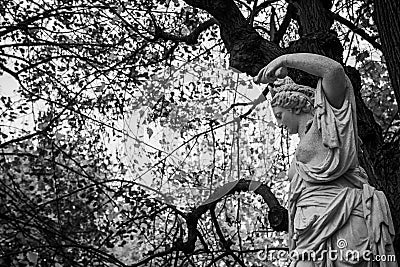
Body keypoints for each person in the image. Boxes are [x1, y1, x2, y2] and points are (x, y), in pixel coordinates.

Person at [253, 53, 397, 267]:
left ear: (295, 105)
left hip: (342, 216)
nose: (280, 125)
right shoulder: (301, 145)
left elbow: (333, 71)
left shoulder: (329, 123)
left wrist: (285, 60)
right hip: (307, 230)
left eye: (280, 116)